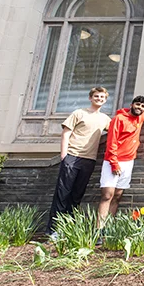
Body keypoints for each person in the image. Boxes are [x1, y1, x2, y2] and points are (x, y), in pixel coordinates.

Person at [97, 95, 144, 230]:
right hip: (113, 161)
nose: (140, 108)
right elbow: (111, 142)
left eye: (143, 106)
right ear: (132, 105)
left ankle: (107, 229)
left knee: (118, 196)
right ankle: (98, 230)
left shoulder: (141, 117)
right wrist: (114, 163)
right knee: (107, 195)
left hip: (128, 162)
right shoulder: (119, 119)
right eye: (137, 105)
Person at [46, 87, 110, 237]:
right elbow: (66, 134)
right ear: (90, 97)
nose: (99, 99)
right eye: (96, 96)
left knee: (76, 195)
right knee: (62, 193)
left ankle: (67, 228)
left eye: (102, 97)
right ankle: (53, 230)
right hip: (72, 156)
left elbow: (117, 130)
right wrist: (64, 156)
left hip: (89, 159)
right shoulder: (79, 113)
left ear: (105, 100)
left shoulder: (105, 119)